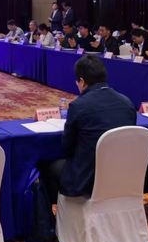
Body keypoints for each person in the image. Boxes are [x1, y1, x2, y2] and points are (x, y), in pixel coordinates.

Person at [39, 55, 136, 201]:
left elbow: (67, 148)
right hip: (123, 174)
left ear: (82, 81)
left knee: (45, 168)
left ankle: (49, 216)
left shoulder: (79, 106)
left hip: (87, 180)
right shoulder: (127, 102)